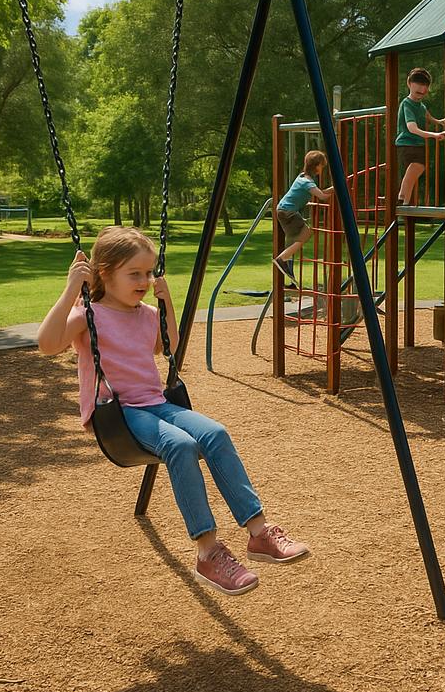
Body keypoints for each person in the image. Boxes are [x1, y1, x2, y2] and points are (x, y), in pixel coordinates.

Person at [37, 226, 310, 596]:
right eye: (135, 274)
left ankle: (259, 534)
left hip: (156, 404)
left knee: (215, 433)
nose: (145, 280)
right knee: (180, 446)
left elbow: (166, 347)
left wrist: (166, 305)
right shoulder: (88, 313)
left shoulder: (146, 312)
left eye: (148, 273)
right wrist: (71, 288)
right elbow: (47, 344)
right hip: (118, 414)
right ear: (104, 273)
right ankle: (207, 552)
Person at [275, 149, 332, 288]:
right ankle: (282, 259)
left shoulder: (303, 177)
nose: (322, 169)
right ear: (316, 165)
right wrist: (337, 189)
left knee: (295, 239)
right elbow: (322, 196)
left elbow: (320, 192)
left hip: (283, 210)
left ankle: (286, 263)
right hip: (288, 212)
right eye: (321, 166)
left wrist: (332, 189)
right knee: (306, 233)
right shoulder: (307, 182)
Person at [396, 67, 445, 205]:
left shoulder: (420, 105)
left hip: (417, 144)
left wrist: (438, 121)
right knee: (416, 167)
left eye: (425, 87)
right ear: (409, 83)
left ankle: (404, 201)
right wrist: (434, 135)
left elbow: (426, 115)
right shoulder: (407, 103)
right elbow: (412, 128)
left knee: (416, 170)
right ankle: (401, 198)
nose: (422, 90)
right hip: (407, 143)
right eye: (418, 86)